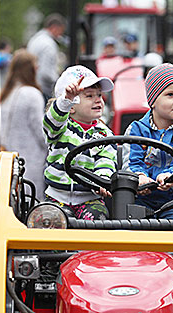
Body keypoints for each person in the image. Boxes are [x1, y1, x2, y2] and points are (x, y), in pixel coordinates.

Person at [123, 63, 173, 219]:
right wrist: (140, 178)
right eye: (170, 95)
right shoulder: (136, 130)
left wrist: (171, 177)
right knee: (126, 229)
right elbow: (131, 163)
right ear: (153, 101)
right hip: (141, 200)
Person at [42, 65, 116, 220]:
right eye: (89, 96)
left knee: (98, 218)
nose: (98, 100)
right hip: (56, 197)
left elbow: (106, 161)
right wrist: (65, 101)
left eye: (99, 95)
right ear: (71, 107)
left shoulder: (104, 134)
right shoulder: (60, 129)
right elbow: (51, 122)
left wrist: (101, 180)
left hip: (89, 198)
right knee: (49, 219)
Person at [0, 49, 47, 199]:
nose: (38, 68)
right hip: (31, 157)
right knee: (33, 200)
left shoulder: (7, 93)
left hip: (8, 156)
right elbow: (40, 130)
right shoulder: (32, 94)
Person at [27, 13, 67, 101]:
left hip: (32, 85)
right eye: (61, 31)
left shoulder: (35, 39)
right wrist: (61, 81)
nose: (60, 34)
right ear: (54, 27)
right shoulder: (49, 44)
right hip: (44, 90)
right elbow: (46, 72)